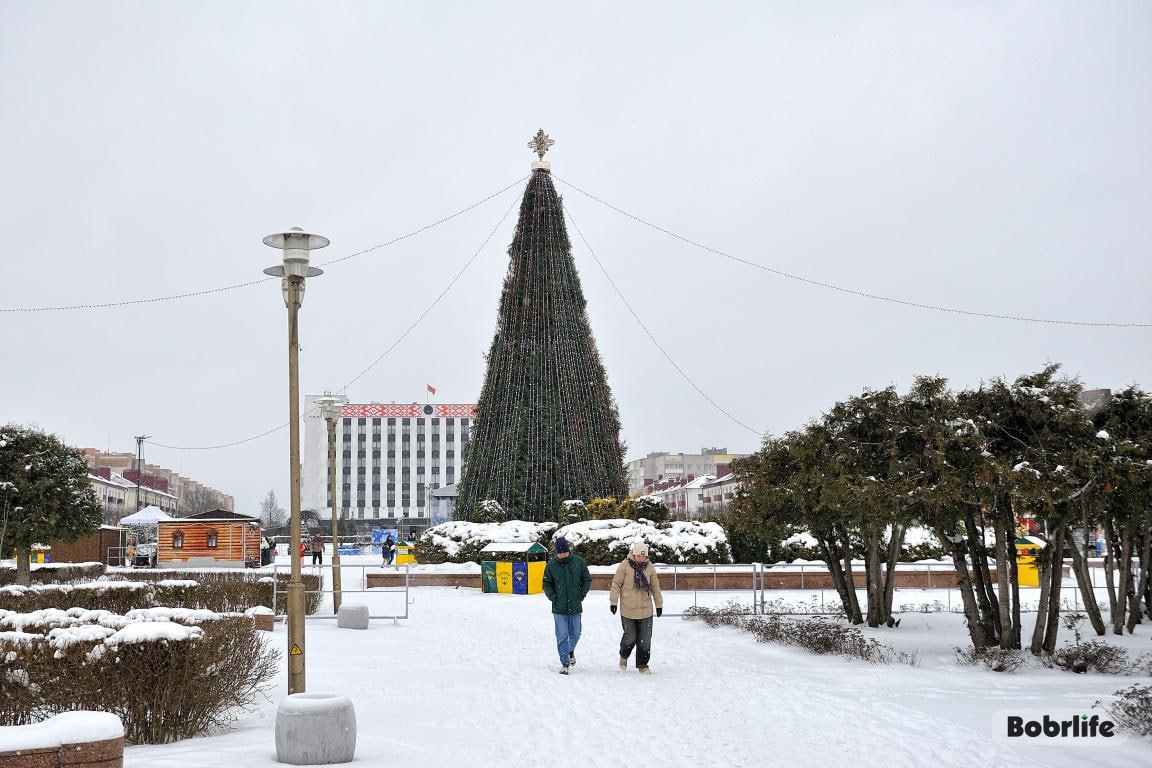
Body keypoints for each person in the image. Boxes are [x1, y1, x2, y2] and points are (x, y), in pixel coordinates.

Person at [610, 541, 663, 674]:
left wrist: (659, 604)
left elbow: (655, 587)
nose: (640, 559)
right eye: (638, 556)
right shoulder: (625, 565)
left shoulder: (649, 568)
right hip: (628, 609)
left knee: (645, 640)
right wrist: (613, 602)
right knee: (630, 638)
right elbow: (616, 584)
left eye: (643, 556)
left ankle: (642, 665)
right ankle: (624, 655)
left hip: (646, 609)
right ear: (633, 554)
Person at [542, 536, 591, 675]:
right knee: (562, 635)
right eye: (560, 552)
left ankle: (570, 651)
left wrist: (581, 595)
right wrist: (554, 598)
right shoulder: (551, 565)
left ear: (569, 550)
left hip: (575, 606)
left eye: (565, 552)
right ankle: (564, 662)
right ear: (556, 552)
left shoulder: (579, 562)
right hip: (559, 607)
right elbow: (546, 583)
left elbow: (587, 579)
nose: (563, 554)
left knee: (576, 633)